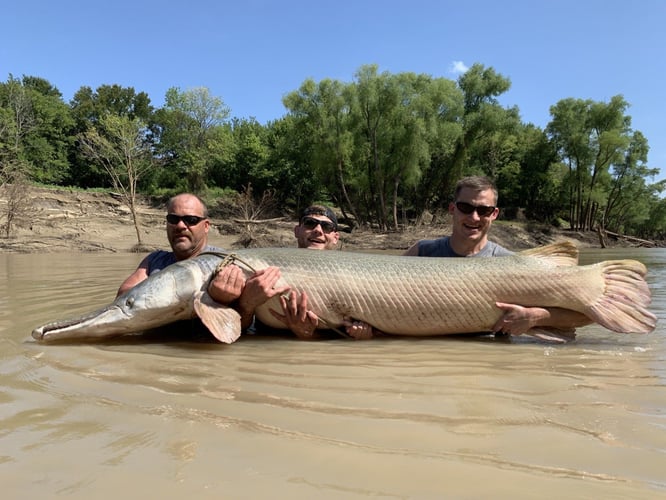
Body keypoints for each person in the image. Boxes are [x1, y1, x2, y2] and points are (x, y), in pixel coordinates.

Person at [404, 176, 591, 337]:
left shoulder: (512, 263)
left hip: (490, 360)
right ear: (453, 209)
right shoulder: (421, 252)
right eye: (465, 208)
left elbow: (586, 315)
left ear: (494, 214)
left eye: (483, 210)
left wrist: (533, 317)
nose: (474, 217)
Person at [207, 205, 374, 340]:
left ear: (336, 237)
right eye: (310, 223)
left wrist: (363, 335)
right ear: (297, 231)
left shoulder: (354, 278)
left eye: (326, 226)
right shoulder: (260, 268)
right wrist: (247, 304)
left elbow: (336, 348)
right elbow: (237, 332)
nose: (318, 230)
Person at [116, 193, 220, 297]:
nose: (180, 226)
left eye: (190, 220)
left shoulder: (224, 262)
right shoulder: (154, 260)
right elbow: (124, 294)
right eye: (173, 219)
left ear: (206, 226)